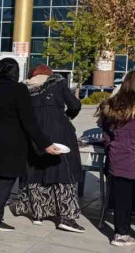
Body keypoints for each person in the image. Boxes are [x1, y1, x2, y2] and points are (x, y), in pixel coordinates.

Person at [0, 58, 63, 232]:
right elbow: (29, 120)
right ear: (15, 73)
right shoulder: (19, 89)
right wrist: (45, 144)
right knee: (5, 179)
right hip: (11, 143)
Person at [13, 65, 85, 233]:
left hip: (34, 134)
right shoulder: (58, 83)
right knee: (62, 172)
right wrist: (66, 116)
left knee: (35, 171)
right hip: (59, 133)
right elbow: (74, 105)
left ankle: (37, 213)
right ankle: (66, 217)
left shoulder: (25, 88)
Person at [96, 69, 135, 248]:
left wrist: (111, 147)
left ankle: (120, 234)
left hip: (118, 161)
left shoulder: (113, 105)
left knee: (122, 201)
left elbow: (105, 133)